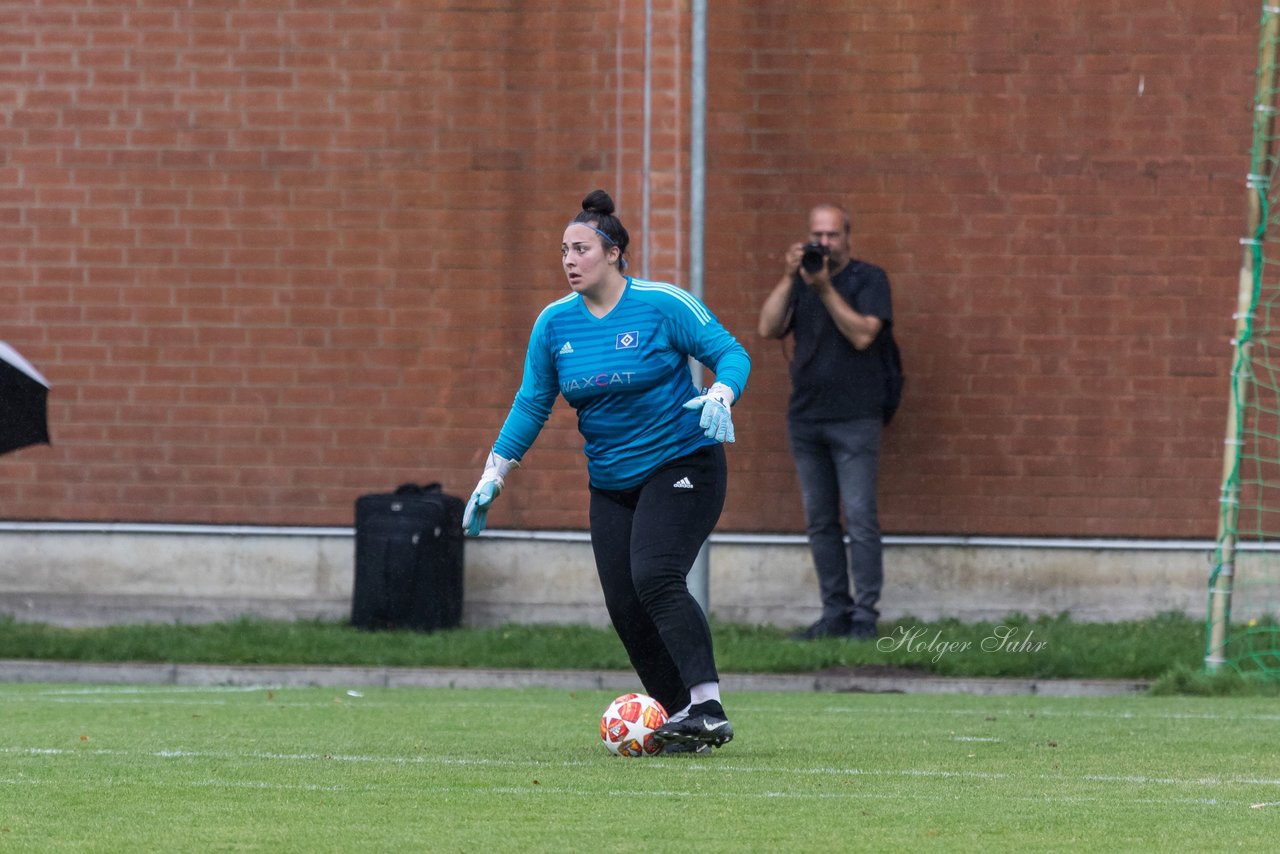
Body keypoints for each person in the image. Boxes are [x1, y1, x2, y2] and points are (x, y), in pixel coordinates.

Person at [462, 189, 751, 752]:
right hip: (612, 483)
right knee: (624, 603)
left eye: (581, 249)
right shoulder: (553, 324)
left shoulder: (662, 303)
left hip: (682, 462)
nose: (569, 260)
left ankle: (709, 706)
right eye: (564, 251)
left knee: (656, 576)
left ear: (614, 253)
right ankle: (676, 719)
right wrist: (492, 475)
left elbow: (731, 351)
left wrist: (722, 391)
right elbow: (531, 403)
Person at [757, 203, 894, 641]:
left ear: (848, 238)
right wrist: (788, 277)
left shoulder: (868, 279)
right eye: (818, 235)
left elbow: (863, 334)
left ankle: (865, 617)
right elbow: (767, 327)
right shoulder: (800, 282)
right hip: (807, 418)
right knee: (819, 520)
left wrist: (824, 288)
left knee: (859, 516)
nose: (825, 243)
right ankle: (834, 613)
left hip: (856, 417)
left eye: (833, 235)